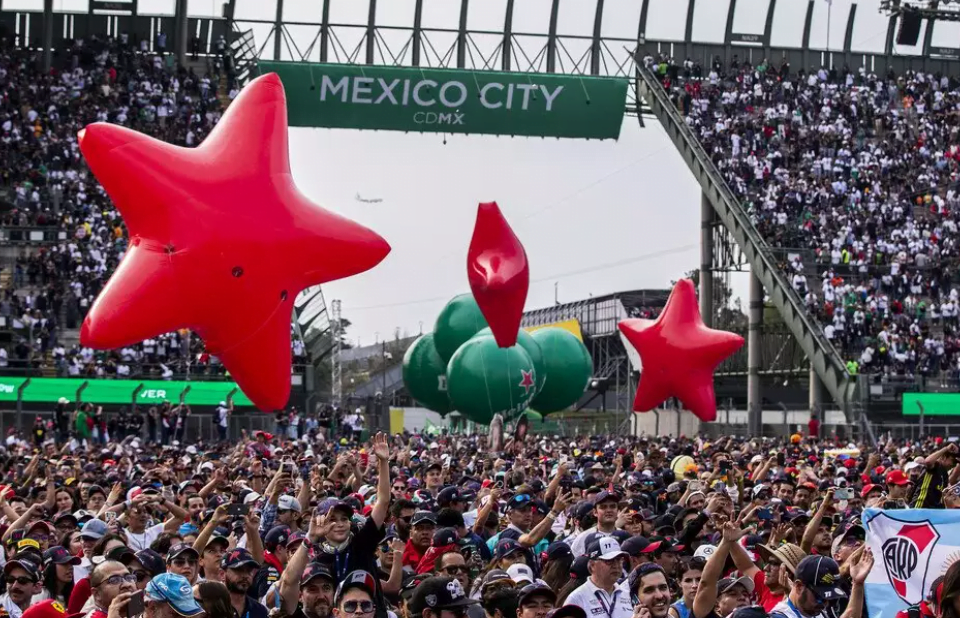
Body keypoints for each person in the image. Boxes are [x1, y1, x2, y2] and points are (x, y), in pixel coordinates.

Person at [562, 538, 633, 618]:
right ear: (592, 565)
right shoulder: (576, 598)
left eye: (619, 559)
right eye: (609, 561)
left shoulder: (628, 594)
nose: (616, 565)